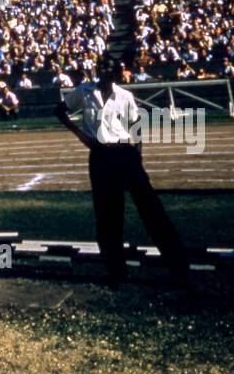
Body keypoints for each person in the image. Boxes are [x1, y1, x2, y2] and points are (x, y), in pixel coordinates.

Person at [55, 52, 190, 287]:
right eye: (101, 66)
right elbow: (59, 111)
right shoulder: (84, 92)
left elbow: (136, 125)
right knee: (107, 216)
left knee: (151, 209)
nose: (105, 71)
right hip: (100, 156)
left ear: (117, 72)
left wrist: (137, 155)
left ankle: (179, 266)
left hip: (125, 154)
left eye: (110, 68)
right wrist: (83, 137)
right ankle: (116, 272)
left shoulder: (125, 96)